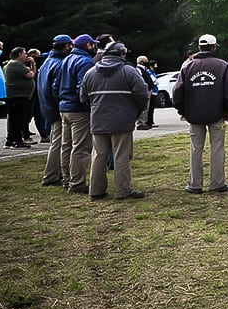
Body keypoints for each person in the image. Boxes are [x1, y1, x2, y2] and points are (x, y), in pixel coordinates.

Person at [80, 42, 148, 200]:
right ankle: (123, 191)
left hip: (98, 120)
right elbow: (143, 94)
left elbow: (83, 97)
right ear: (122, 54)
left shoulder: (90, 72)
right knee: (121, 155)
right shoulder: (129, 71)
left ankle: (96, 191)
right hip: (122, 120)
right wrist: (136, 111)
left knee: (98, 156)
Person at [173, 33, 228, 194]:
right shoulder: (222, 65)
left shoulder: (187, 66)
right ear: (214, 47)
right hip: (217, 114)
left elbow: (177, 92)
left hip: (194, 115)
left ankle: (195, 185)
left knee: (196, 148)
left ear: (199, 47)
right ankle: (217, 183)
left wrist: (183, 111)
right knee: (217, 148)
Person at [58, 34, 99, 193]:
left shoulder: (66, 59)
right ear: (88, 45)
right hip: (78, 109)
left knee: (66, 146)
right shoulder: (85, 61)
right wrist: (89, 105)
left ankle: (67, 179)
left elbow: (57, 84)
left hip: (64, 106)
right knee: (80, 148)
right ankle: (77, 183)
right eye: (92, 44)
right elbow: (83, 88)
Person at [38, 35, 73, 186]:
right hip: (56, 107)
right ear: (66, 46)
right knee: (58, 142)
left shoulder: (48, 61)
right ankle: (51, 175)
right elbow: (56, 89)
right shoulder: (59, 64)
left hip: (47, 106)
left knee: (56, 140)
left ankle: (53, 174)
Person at [3, 47, 36, 148]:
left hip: (16, 96)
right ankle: (17, 141)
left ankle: (10, 140)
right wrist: (33, 63)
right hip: (17, 96)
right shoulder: (15, 64)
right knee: (18, 119)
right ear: (19, 55)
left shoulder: (13, 64)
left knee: (13, 119)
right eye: (24, 53)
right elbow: (31, 75)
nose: (26, 55)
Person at [135, 55, 157, 129]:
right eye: (145, 61)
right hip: (144, 90)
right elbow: (139, 80)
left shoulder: (144, 69)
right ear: (141, 62)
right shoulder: (138, 69)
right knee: (143, 107)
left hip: (149, 90)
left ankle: (145, 122)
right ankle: (140, 123)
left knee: (147, 108)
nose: (147, 62)